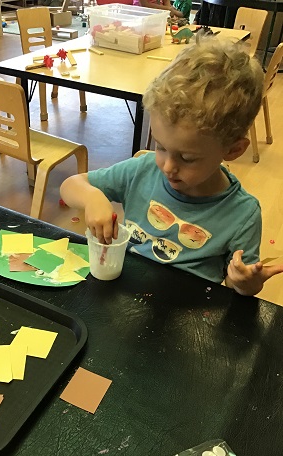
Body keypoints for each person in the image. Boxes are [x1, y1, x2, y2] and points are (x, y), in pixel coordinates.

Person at [60, 39, 283, 296]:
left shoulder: (242, 215)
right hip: (129, 301)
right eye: (160, 146)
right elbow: (70, 186)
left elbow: (237, 290)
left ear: (233, 150)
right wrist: (91, 197)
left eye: (187, 158)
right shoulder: (141, 171)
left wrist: (245, 283)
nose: (167, 166)